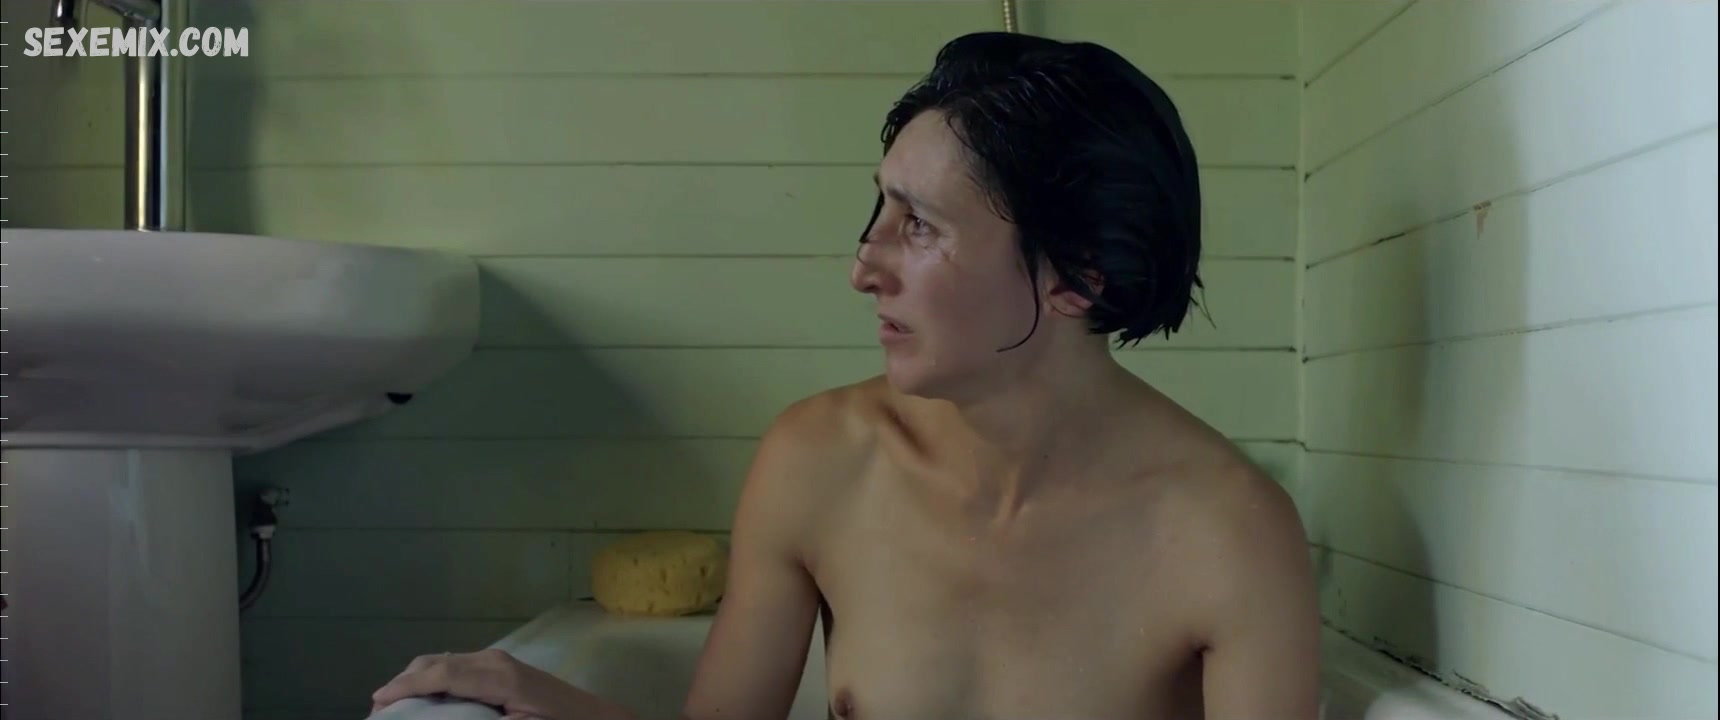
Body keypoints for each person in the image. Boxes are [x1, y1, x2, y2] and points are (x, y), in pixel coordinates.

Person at [369, 31, 1320, 720]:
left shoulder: (1226, 532)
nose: (864, 268)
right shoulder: (821, 461)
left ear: (1077, 276)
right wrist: (547, 700)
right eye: (880, 211)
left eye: (920, 226)